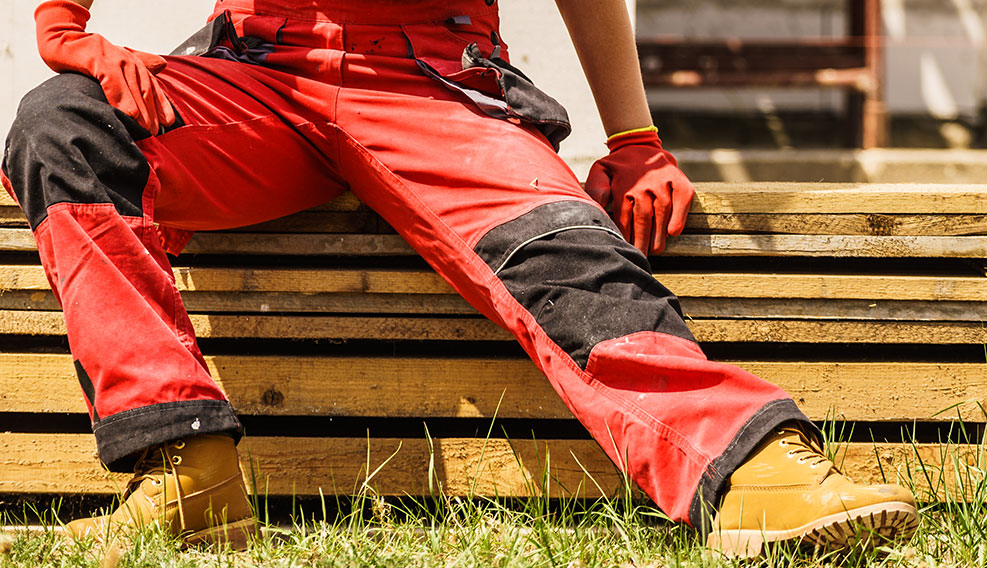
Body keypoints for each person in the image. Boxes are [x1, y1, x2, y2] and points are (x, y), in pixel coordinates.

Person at [1, 0, 919, 557]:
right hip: (254, 74)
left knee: (558, 250)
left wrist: (636, 141)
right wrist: (63, 33)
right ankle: (183, 474)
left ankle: (749, 463)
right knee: (66, 128)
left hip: (435, 80)